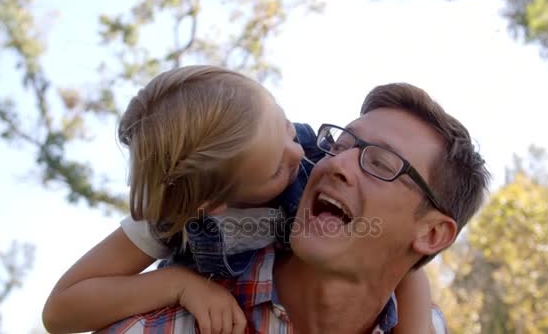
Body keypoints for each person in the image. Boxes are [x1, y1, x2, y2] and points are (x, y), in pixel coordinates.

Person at [42, 67, 437, 334]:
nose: (298, 156)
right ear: (212, 201)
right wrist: (179, 284)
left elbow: (403, 261)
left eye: (285, 126)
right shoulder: (177, 211)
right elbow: (61, 309)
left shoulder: (315, 160)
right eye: (274, 172)